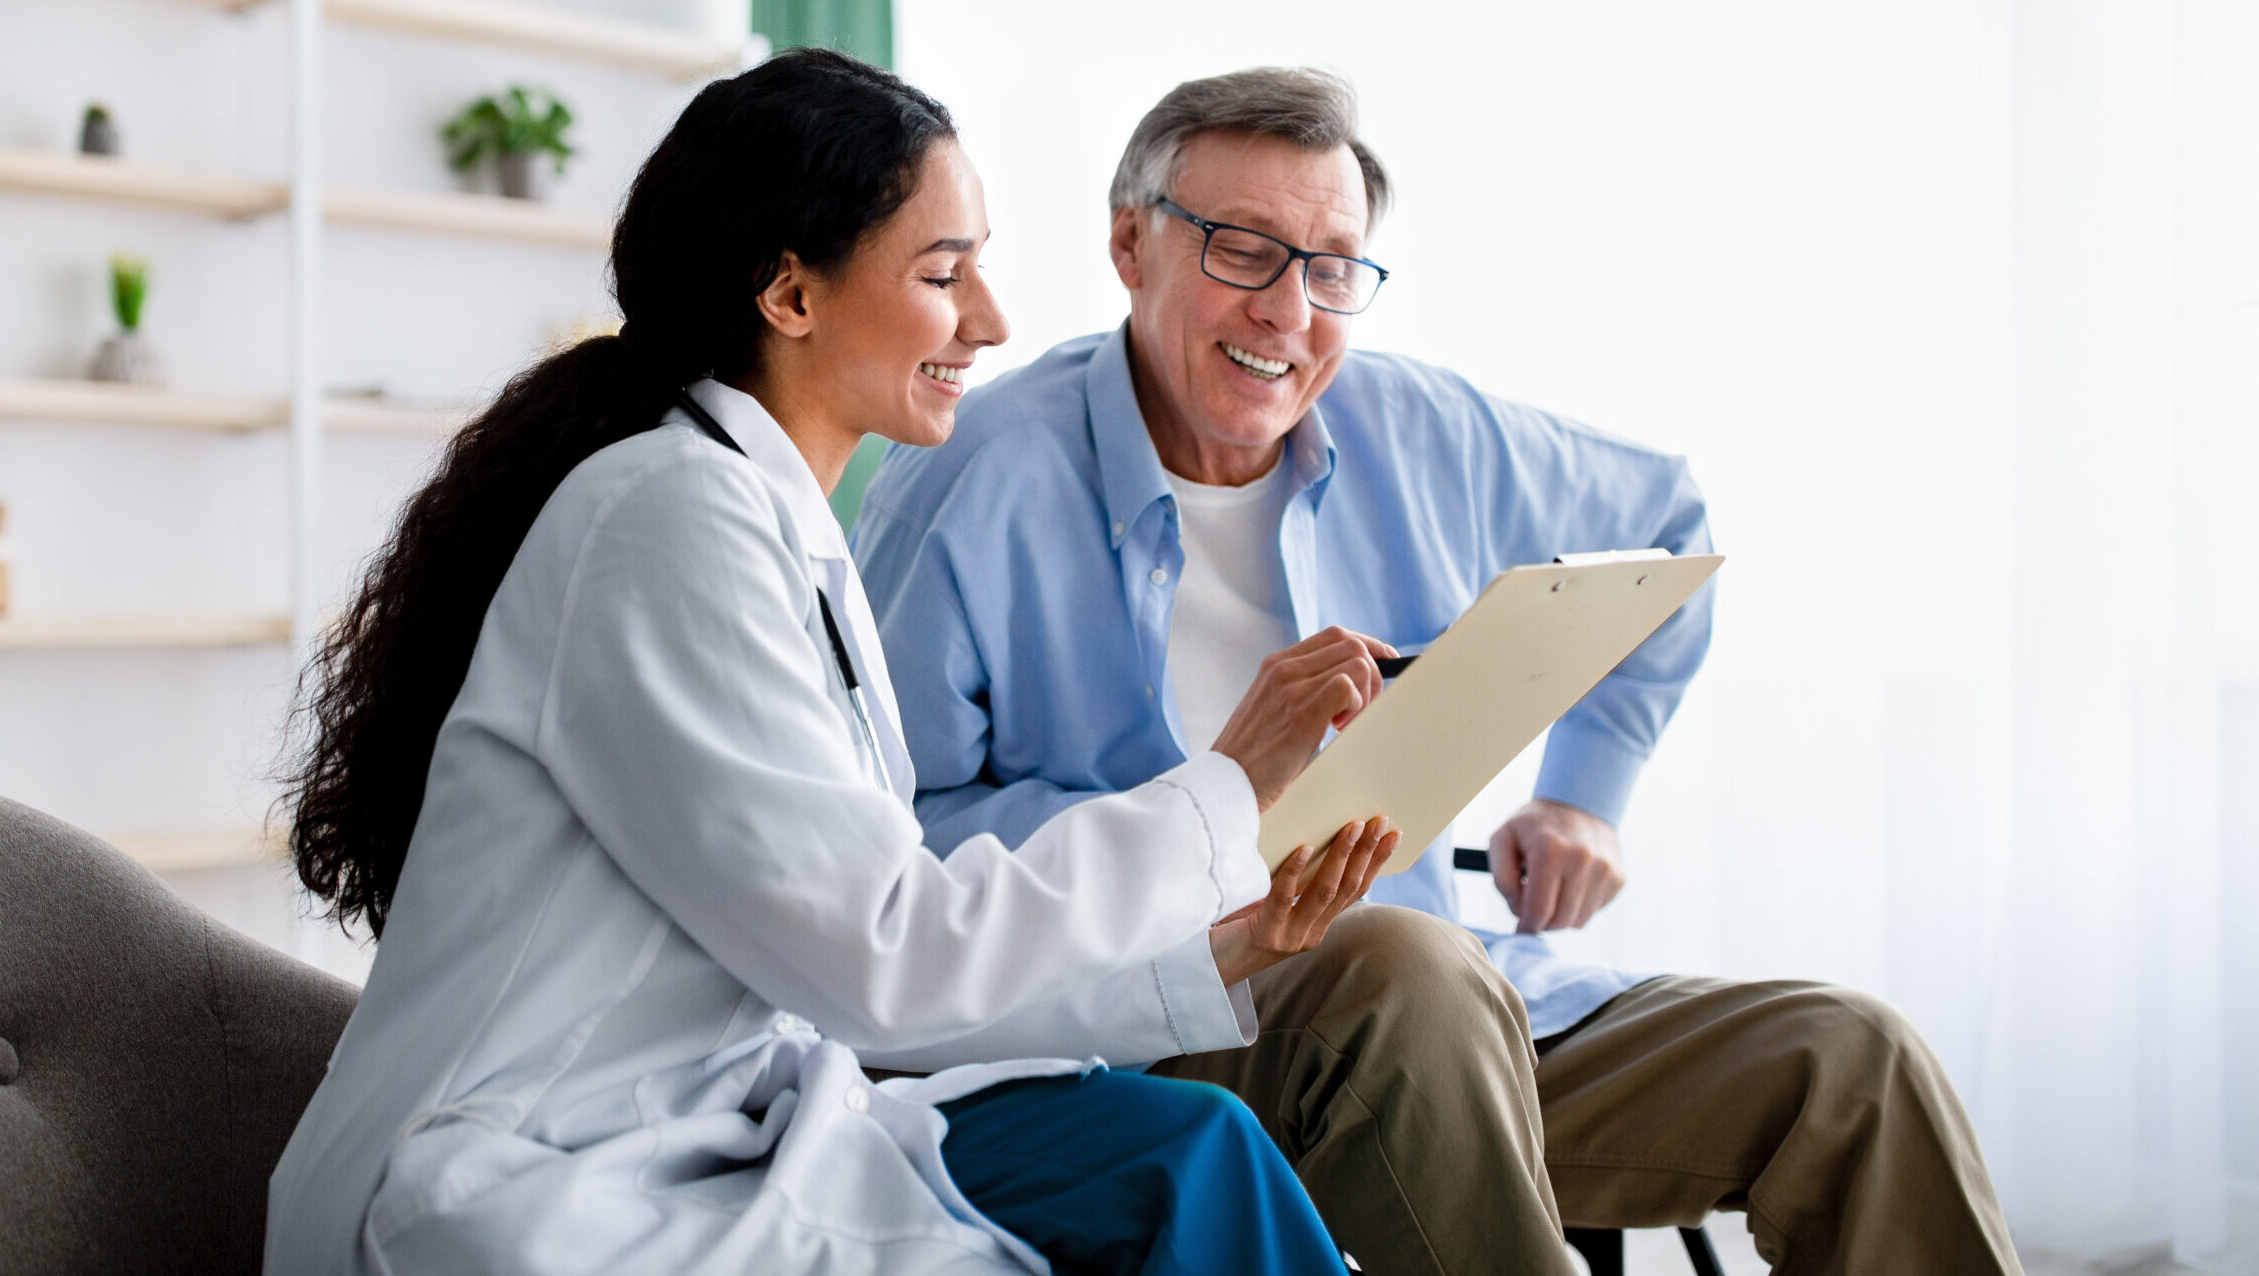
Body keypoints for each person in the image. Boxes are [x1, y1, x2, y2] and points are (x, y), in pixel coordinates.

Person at [854, 66, 2023, 1275]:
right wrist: (1201, 832)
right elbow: (889, 851)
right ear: (1129, 244)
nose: (1288, 312)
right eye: (1242, 251)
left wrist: (1583, 795)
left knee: (1847, 1061)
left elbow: (1666, 526)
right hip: (1149, 1024)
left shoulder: (1422, 431)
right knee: (1399, 965)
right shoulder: (970, 477)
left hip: (1454, 1016)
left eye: (1330, 269)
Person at [263, 50, 1400, 1276]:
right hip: (518, 1178)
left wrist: (1217, 951)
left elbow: (858, 971)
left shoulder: (776, 526)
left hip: (703, 1127)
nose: (990, 320)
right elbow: (885, 958)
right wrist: (1223, 789)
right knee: (1159, 1181)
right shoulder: (666, 518)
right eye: (943, 274)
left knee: (1190, 1146)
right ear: (790, 293)